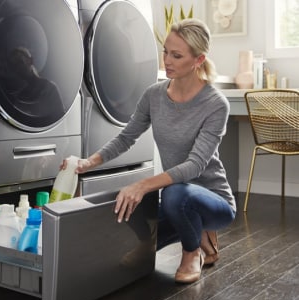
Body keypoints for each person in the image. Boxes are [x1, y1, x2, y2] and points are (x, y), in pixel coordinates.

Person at [61, 18, 236, 284]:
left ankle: (193, 252)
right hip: (176, 200)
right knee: (121, 213)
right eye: (165, 51)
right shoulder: (154, 95)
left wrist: (143, 185)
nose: (167, 60)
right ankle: (184, 237)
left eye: (177, 55)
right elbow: (127, 137)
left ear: (198, 60)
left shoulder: (215, 104)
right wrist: (88, 162)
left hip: (214, 200)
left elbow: (194, 166)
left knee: (175, 193)